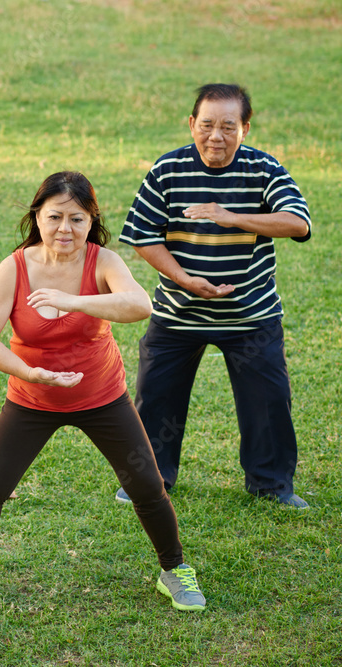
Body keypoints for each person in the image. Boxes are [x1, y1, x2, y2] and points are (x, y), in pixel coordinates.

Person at [0, 172, 206, 613]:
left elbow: (140, 305)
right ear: (37, 217)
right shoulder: (15, 267)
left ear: (91, 221)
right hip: (33, 398)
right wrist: (32, 372)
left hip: (101, 396)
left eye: (77, 219)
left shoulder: (102, 262)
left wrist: (73, 301)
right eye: (55, 217)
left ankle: (174, 570)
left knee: (146, 483)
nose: (65, 229)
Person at [117, 83, 311, 509]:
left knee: (267, 401)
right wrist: (185, 280)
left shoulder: (264, 169)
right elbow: (143, 236)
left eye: (228, 126)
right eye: (206, 125)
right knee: (157, 398)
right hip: (178, 312)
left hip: (250, 317)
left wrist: (233, 217)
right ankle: (150, 481)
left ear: (245, 127)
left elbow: (298, 222)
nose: (216, 136)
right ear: (192, 124)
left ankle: (272, 486)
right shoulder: (167, 170)